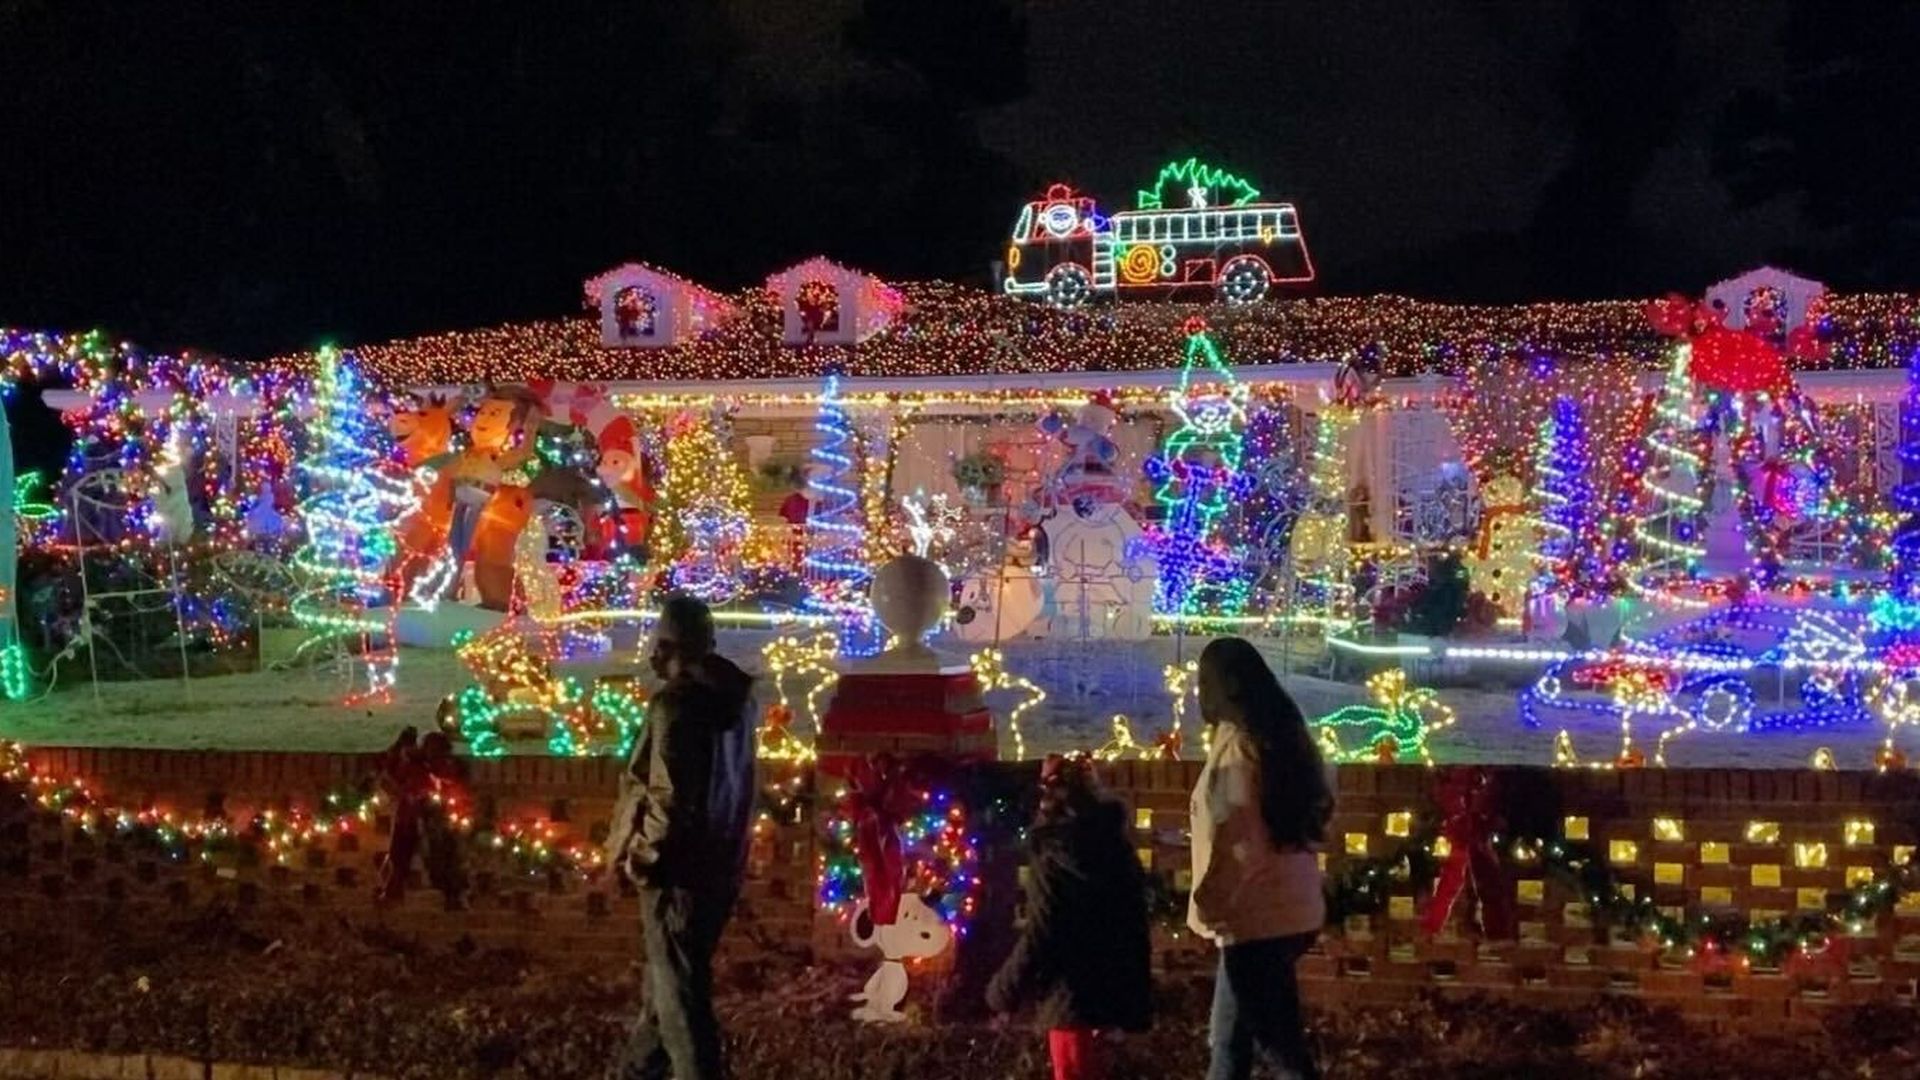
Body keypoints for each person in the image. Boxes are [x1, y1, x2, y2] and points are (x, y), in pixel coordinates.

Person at [608, 595, 758, 1080]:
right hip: (720, 867)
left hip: (676, 875)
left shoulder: (674, 706)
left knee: (679, 1004)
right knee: (665, 989)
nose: (653, 656)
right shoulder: (738, 702)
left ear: (682, 647)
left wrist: (641, 858)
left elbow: (669, 798)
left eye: (662, 644)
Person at [1189, 637, 1334, 1080]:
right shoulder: (1287, 736)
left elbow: (1232, 832)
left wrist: (1207, 906)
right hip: (1293, 909)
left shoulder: (1238, 749)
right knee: (1232, 1039)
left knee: (1275, 1047)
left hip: (1253, 917)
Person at [988, 753, 1151, 1080]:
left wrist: (1003, 990)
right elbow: (1136, 922)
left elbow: (1042, 929)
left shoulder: (1052, 854)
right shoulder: (1118, 848)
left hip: (1071, 997)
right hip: (1114, 993)